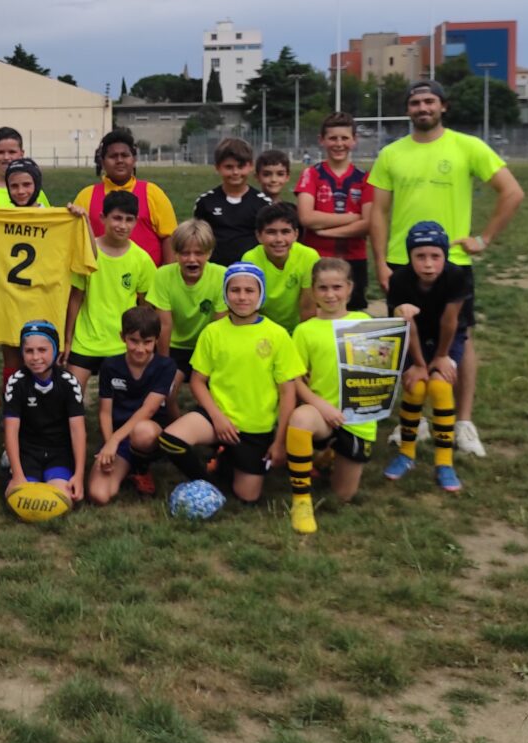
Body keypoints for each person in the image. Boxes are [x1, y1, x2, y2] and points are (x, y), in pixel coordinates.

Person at [368, 80, 524, 458]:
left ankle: (463, 423)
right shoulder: (391, 153)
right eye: (415, 102)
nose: (423, 107)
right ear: (408, 110)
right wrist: (381, 263)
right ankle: (415, 419)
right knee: (406, 335)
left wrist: (483, 239)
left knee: (460, 337)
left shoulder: (466, 146)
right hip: (402, 264)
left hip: (452, 262)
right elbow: (379, 212)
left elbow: (512, 192)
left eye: (429, 101)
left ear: (443, 106)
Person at [156, 263, 305, 505]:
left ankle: (225, 459)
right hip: (217, 418)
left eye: (249, 290)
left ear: (261, 294)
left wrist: (280, 442)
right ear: (225, 294)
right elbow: (197, 382)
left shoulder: (277, 335)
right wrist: (217, 417)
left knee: (248, 496)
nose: (242, 296)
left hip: (255, 428)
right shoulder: (213, 332)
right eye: (235, 290)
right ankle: (207, 486)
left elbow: (288, 393)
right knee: (171, 439)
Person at [0, 158, 96, 384]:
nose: (20, 191)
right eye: (14, 186)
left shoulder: (57, 219)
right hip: (9, 300)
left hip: (43, 302)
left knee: (43, 361)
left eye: (26, 185)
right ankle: (13, 407)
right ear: (7, 188)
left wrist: (83, 221)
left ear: (37, 185)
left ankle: (40, 411)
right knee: (12, 360)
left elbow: (91, 258)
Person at [285, 259, 377, 534]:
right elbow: (295, 378)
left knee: (342, 496)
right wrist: (321, 406)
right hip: (322, 414)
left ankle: (326, 455)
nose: (330, 294)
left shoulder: (364, 322)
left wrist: (406, 317)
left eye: (337, 287)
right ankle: (301, 500)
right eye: (322, 288)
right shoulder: (305, 330)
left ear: (349, 289)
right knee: (300, 418)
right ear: (313, 291)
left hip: (358, 418)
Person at [383, 222, 472, 494]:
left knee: (440, 386)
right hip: (414, 338)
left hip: (448, 338)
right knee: (416, 386)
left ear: (445, 256)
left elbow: (450, 320)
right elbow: (407, 325)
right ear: (409, 257)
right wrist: (420, 365)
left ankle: (444, 463)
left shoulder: (457, 276)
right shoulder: (399, 280)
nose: (429, 264)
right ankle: (406, 454)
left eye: (436, 256)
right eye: (420, 256)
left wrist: (442, 357)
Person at [63, 190, 156, 398]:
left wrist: (142, 343)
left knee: (123, 404)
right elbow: (75, 298)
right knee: (71, 396)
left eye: (129, 220)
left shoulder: (142, 260)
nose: (122, 225)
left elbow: (145, 309)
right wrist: (68, 340)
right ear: (103, 218)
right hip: (85, 341)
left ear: (135, 222)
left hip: (122, 344)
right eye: (117, 218)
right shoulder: (88, 252)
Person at [87, 306, 178, 504]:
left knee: (143, 431)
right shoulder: (110, 366)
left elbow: (148, 410)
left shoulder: (165, 366)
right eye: (133, 341)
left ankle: (142, 468)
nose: (140, 349)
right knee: (99, 495)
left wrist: (113, 442)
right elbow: (104, 412)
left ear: (156, 340)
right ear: (122, 337)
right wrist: (109, 444)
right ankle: (127, 467)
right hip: (119, 437)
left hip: (149, 434)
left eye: (147, 342)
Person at [295, 113, 375, 311]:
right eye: (332, 138)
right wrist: (350, 218)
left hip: (354, 259)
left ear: (354, 140)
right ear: (322, 140)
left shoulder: (365, 178)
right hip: (317, 257)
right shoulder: (311, 174)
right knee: (317, 313)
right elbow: (306, 217)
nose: (339, 143)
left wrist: (326, 230)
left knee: (352, 317)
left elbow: (367, 224)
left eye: (344, 138)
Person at [2, 320, 87, 506]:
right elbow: (11, 430)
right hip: (28, 451)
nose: (35, 357)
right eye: (29, 351)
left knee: (62, 499)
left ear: (55, 350)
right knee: (18, 499)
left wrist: (79, 476)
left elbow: (77, 430)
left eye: (42, 350)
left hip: (59, 451)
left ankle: (60, 475)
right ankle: (13, 470)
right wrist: (17, 475)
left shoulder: (68, 382)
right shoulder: (16, 383)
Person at [146, 219, 227, 402]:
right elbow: (165, 325)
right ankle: (173, 427)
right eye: (185, 253)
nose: (192, 259)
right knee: (166, 394)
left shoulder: (221, 275)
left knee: (217, 396)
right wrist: (164, 365)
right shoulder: (163, 275)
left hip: (206, 346)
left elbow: (219, 327)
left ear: (210, 253)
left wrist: (213, 363)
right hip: (175, 348)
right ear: (175, 253)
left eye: (199, 253)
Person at [72, 129, 177, 264]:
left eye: (125, 155)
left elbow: (170, 238)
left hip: (146, 280)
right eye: (113, 156)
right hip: (101, 278)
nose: (119, 160)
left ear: (134, 160)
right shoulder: (86, 196)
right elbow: (75, 240)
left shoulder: (153, 193)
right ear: (102, 162)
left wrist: (166, 277)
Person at [240, 203, 320, 332]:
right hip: (263, 329)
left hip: (297, 329)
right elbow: (251, 306)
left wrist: (302, 337)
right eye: (271, 232)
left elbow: (308, 306)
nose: (279, 239)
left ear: (296, 234)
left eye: (285, 232)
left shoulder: (309, 256)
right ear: (259, 236)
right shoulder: (250, 259)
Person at [192, 138, 270, 266]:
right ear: (217, 167)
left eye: (241, 166)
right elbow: (198, 239)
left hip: (251, 271)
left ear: (250, 166)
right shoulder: (205, 202)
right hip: (215, 271)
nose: (235, 172)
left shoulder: (263, 203)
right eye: (229, 167)